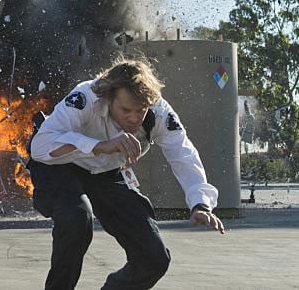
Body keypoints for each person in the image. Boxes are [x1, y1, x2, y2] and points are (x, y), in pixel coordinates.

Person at [28, 59, 224, 290]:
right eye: (125, 110)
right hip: (59, 165)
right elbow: (40, 147)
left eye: (140, 111)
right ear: (109, 97)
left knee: (154, 258)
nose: (134, 118)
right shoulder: (85, 97)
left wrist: (200, 203)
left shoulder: (159, 111)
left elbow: (183, 153)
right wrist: (99, 145)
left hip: (105, 173)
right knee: (76, 218)